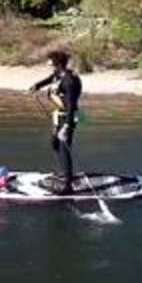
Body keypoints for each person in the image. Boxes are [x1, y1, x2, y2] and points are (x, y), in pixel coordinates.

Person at [29, 50, 82, 194]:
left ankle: (67, 184)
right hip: (59, 116)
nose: (48, 64)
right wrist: (37, 86)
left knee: (64, 147)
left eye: (50, 62)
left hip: (69, 117)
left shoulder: (69, 81)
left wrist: (66, 127)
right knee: (55, 143)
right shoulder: (59, 74)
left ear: (58, 64)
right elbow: (49, 79)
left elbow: (71, 106)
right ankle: (64, 172)